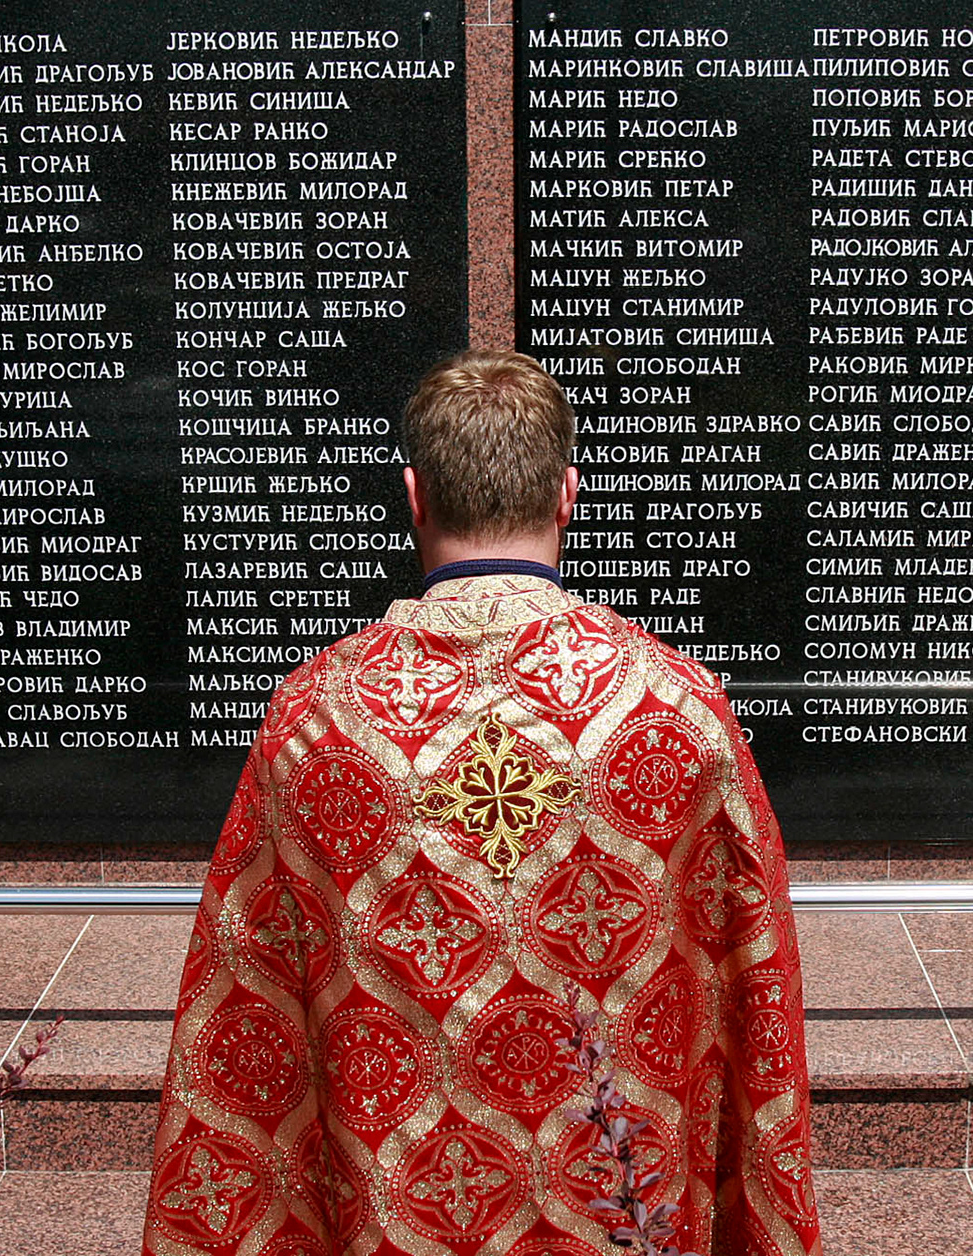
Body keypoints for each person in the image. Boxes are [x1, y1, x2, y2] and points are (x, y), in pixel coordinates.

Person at [141, 349, 820, 1256]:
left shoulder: (316, 719)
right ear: (568, 494)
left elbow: (248, 1019)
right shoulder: (676, 708)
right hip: (625, 1213)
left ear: (414, 495)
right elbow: (753, 991)